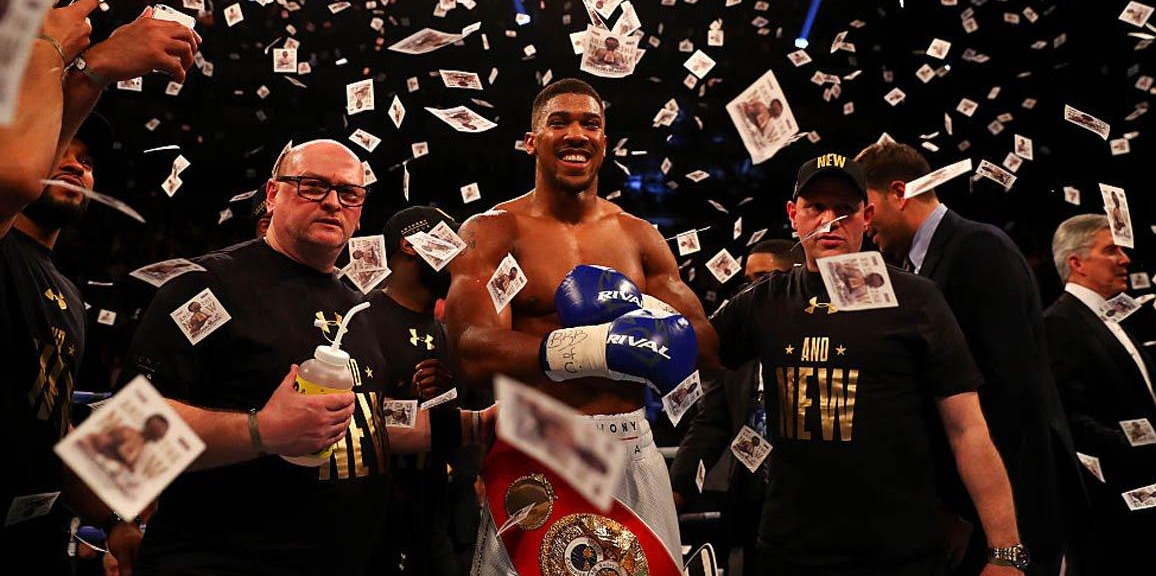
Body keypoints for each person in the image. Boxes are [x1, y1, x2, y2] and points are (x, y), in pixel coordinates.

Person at [118, 140, 494, 576]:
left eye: (348, 193)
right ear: (273, 194)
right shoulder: (207, 287)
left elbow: (367, 427)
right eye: (313, 186)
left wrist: (477, 424)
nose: (333, 201)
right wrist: (262, 430)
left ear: (359, 211)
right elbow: (122, 436)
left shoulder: (356, 304)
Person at [446, 78, 719, 574]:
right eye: (559, 122)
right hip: (538, 438)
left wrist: (646, 320)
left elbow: (704, 343)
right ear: (531, 141)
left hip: (631, 445)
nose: (577, 133)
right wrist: (594, 347)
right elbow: (470, 350)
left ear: (604, 141)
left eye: (590, 123)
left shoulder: (639, 236)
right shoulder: (492, 231)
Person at [711, 152, 1027, 575]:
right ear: (793, 215)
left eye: (844, 210)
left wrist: (1005, 549)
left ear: (867, 215)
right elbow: (687, 351)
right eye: (816, 207)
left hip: (898, 553)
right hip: (789, 550)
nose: (829, 220)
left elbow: (967, 427)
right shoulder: (763, 301)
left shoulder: (917, 298)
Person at [1, 0, 201, 576]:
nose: (74, 163)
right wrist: (90, 68)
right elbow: (17, 172)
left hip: (34, 542)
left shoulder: (65, 292)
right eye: (64, 148)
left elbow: (55, 426)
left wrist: (122, 520)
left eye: (87, 161)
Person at [855, 142, 1085, 576]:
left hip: (1006, 509)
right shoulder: (921, 265)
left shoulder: (977, 249)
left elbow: (1007, 391)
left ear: (898, 192)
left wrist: (975, 519)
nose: (864, 225)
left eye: (866, 207)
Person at [1044, 214, 1156, 574]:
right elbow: (1073, 424)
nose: (1125, 259)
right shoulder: (1057, 325)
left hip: (1145, 507)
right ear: (1077, 263)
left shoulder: (1112, 319)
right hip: (1106, 514)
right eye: (1110, 250)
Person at [670, 239, 796, 576]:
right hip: (751, 510)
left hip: (812, 512)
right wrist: (677, 492)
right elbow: (709, 427)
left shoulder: (823, 346)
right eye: (748, 281)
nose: (753, 293)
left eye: (766, 279)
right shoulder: (736, 355)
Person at [367, 206, 462, 576]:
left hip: (434, 516)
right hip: (372, 521)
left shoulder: (447, 328)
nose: (457, 254)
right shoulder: (362, 317)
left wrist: (446, 394)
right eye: (447, 241)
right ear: (409, 244)